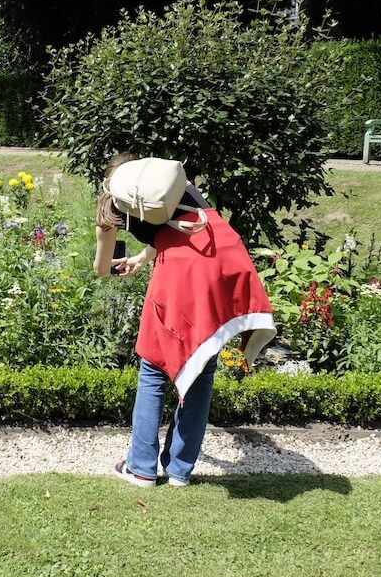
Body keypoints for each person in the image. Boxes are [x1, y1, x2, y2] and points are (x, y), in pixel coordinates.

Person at [94, 153, 276, 488]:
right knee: (202, 367)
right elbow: (180, 223)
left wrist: (115, 262)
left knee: (153, 368)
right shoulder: (172, 183)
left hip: (184, 270)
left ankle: (141, 468)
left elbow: (101, 267)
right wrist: (142, 256)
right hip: (224, 257)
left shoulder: (113, 202)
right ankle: (179, 470)